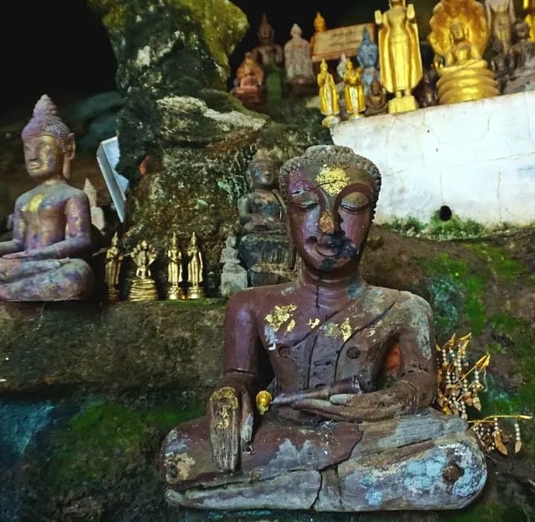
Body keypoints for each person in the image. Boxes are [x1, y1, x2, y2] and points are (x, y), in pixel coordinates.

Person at [161, 146, 486, 511]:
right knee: (180, 450)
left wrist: (367, 405)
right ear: (287, 217)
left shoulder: (404, 308)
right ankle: (338, 488)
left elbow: (418, 387)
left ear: (370, 218)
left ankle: (285, 490)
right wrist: (229, 398)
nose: (329, 225)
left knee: (458, 456)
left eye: (351, 206)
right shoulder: (249, 305)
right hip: (284, 431)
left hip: (366, 430)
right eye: (307, 205)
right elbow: (240, 376)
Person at [0, 95, 94, 302]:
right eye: (28, 150)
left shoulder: (72, 195)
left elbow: (81, 240)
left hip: (50, 263)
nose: (33, 157)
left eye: (42, 149)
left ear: (67, 148)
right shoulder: (23, 200)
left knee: (77, 275)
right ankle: (8, 290)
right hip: (25, 265)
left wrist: (38, 255)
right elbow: (17, 242)